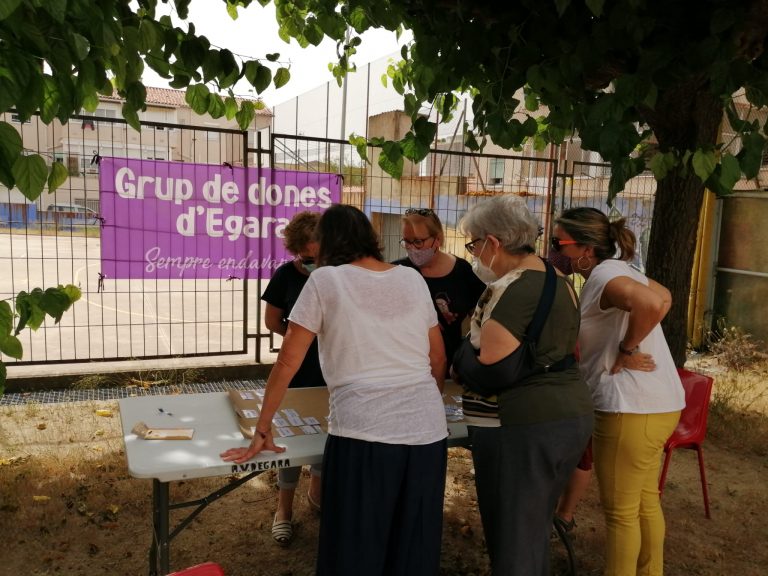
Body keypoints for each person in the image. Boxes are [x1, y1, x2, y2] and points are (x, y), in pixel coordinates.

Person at [222, 204, 449, 576]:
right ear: (370, 239)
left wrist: (263, 427)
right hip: (427, 433)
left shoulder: (326, 281)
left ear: (326, 243)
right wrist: (425, 405)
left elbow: (287, 361)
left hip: (364, 433)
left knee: (356, 546)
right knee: (413, 545)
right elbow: (437, 357)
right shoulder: (411, 278)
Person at [452, 196, 594, 576]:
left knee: (513, 538)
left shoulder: (513, 288)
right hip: (565, 416)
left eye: (473, 245)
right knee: (530, 530)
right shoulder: (557, 278)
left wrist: (461, 356)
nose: (473, 254)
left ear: (493, 242)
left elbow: (491, 368)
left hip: (524, 426)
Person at [553, 207, 685, 576]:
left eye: (558, 243)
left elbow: (654, 303)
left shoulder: (605, 275)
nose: (553, 251)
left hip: (628, 408)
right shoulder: (621, 270)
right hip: (657, 405)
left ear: (585, 248)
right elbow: (665, 296)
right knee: (644, 502)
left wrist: (627, 349)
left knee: (621, 513)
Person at [261, 210, 325, 545]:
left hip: (331, 370)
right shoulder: (285, 275)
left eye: (318, 257)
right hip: (297, 370)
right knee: (292, 440)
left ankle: (317, 493)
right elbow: (272, 320)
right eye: (305, 259)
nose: (312, 264)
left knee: (326, 436)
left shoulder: (336, 274)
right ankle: (283, 510)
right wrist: (299, 338)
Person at [393, 207, 486, 369]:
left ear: (437, 239)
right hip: (407, 366)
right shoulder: (397, 272)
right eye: (406, 241)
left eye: (418, 242)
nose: (411, 248)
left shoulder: (463, 271)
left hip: (451, 364)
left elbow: (482, 319)